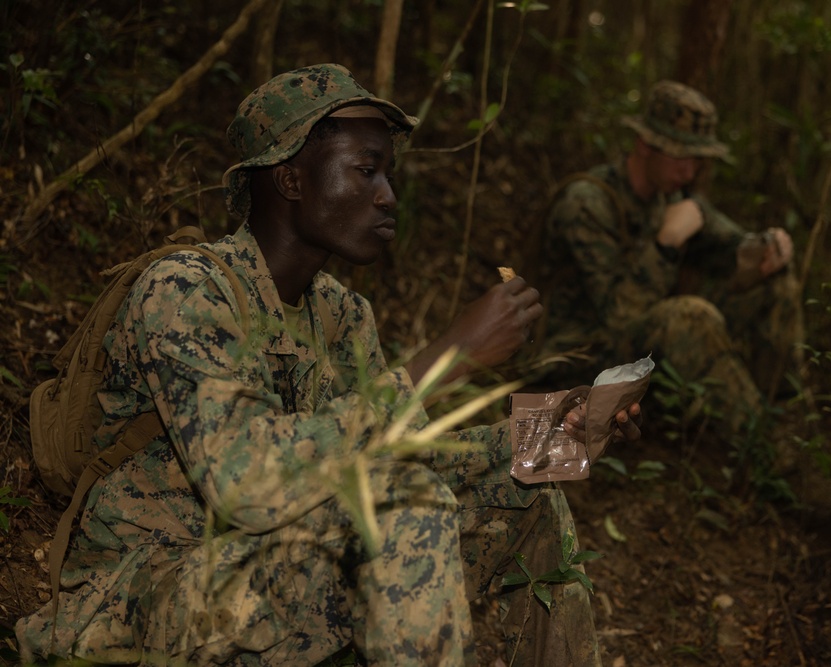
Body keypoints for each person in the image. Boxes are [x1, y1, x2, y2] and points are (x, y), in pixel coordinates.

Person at [16, 63, 642, 666]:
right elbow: (245, 486)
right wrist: (445, 360)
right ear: (289, 180)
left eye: (389, 175)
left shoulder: (342, 316)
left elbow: (390, 462)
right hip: (146, 589)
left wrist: (559, 431)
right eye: (366, 170)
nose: (388, 196)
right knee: (403, 507)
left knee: (532, 488)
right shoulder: (185, 290)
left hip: (264, 565)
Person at [541, 80, 803, 435]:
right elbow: (618, 316)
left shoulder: (671, 196)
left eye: (697, 159)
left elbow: (737, 244)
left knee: (776, 280)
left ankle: (789, 415)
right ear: (644, 145)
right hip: (580, 358)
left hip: (638, 351)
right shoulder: (588, 202)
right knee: (690, 316)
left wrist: (770, 247)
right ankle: (764, 445)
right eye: (680, 156)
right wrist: (666, 243)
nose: (689, 171)